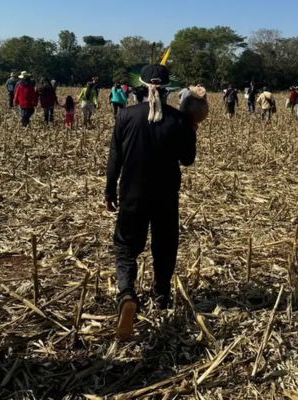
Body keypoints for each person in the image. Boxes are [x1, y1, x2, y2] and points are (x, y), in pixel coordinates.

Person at [105, 64, 197, 341]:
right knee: (164, 246)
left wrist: (110, 190)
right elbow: (187, 159)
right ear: (168, 89)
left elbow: (115, 158)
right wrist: (191, 125)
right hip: (166, 196)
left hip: (132, 194)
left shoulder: (126, 116)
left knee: (125, 246)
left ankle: (127, 294)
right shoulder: (178, 120)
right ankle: (162, 295)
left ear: (141, 87)